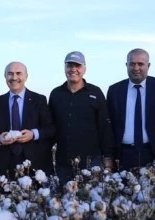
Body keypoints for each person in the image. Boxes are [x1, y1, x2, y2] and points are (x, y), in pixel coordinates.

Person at [48, 51, 115, 185]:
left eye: (77, 66)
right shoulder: (56, 94)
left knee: (91, 201)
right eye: (69, 66)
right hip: (63, 162)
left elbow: (104, 126)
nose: (73, 69)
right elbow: (51, 127)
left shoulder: (95, 92)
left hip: (92, 161)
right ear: (64, 68)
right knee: (65, 202)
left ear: (84, 68)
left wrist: (108, 156)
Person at [106, 48, 155, 170]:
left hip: (153, 154)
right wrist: (109, 156)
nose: (136, 68)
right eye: (132, 64)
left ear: (148, 65)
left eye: (140, 64)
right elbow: (109, 126)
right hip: (123, 155)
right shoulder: (114, 90)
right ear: (126, 65)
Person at [0, 61, 54, 178]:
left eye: (18, 73)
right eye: (10, 74)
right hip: (5, 164)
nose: (14, 77)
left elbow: (50, 128)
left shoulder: (39, 100)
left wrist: (33, 134)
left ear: (26, 76)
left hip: (34, 163)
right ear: (5, 77)